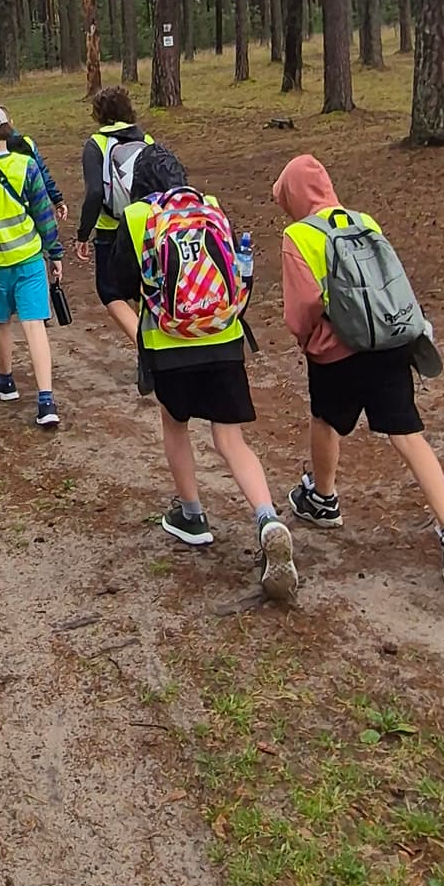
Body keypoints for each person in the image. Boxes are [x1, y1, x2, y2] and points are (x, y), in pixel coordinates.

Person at [274, 154, 444, 593]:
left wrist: (309, 337)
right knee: (407, 434)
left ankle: (324, 499)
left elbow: (303, 309)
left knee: (326, 420)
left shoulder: (298, 236)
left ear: (292, 194)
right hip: (388, 343)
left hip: (337, 351)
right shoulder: (362, 219)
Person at [123, 144, 298, 603]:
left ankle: (192, 514)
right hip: (224, 338)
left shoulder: (139, 217)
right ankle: (267, 518)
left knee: (175, 426)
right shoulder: (211, 208)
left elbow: (121, 285)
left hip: (170, 345)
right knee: (231, 439)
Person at [0, 107, 64, 427]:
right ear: (8, 131)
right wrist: (55, 253)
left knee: (1, 321)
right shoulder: (27, 165)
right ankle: (45, 400)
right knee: (34, 326)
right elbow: (44, 215)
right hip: (29, 258)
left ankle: (5, 381)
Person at [74, 84, 153, 341]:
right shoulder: (147, 141)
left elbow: (95, 193)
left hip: (111, 230)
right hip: (147, 227)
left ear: (98, 113)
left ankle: (144, 350)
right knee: (146, 288)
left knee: (111, 292)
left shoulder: (96, 144)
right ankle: (154, 344)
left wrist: (83, 234)